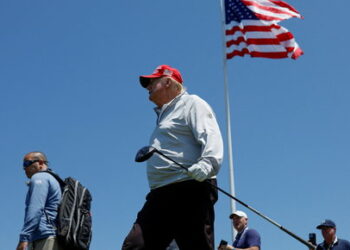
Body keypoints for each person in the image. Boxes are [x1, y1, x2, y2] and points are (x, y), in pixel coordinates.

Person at [122, 65, 224, 250]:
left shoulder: (192, 103)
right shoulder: (163, 115)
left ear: (168, 81)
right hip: (160, 193)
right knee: (135, 245)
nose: (148, 86)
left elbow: (211, 135)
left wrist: (208, 163)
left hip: (190, 188)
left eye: (153, 81)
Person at [16, 152, 62, 250]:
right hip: (53, 236)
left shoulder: (39, 177)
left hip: (44, 237)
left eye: (27, 163)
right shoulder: (54, 179)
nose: (24, 168)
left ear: (40, 163)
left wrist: (24, 237)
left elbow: (35, 209)